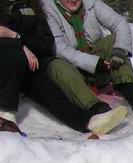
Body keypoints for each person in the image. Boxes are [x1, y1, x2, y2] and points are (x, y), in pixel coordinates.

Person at [0, 0, 126, 135]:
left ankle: (89, 121)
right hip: (7, 64)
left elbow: (45, 43)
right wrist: (17, 43)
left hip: (27, 65)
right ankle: (6, 118)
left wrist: (19, 40)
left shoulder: (35, 9)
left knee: (50, 92)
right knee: (12, 55)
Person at [41, 0, 133, 114]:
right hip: (70, 68)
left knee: (113, 40)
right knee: (56, 65)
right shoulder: (47, 9)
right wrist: (94, 63)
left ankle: (130, 90)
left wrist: (119, 52)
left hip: (97, 66)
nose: (72, 0)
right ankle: (94, 106)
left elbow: (119, 23)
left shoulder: (91, 3)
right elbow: (59, 48)